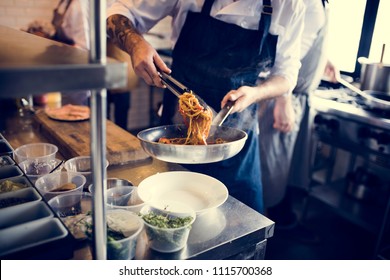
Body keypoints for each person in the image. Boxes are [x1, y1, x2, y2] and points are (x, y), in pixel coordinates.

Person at [106, 0, 306, 214]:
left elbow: (286, 76)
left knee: (243, 219)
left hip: (237, 139)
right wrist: (135, 44)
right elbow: (116, 14)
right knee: (168, 212)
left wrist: (255, 93)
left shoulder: (290, 5)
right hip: (177, 132)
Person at [259, 0, 339, 231]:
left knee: (285, 168)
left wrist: (325, 59)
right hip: (284, 98)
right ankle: (263, 234)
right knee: (271, 170)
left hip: (296, 99)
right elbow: (282, 59)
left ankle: (282, 224)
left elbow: (304, 43)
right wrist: (283, 101)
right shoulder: (308, 3)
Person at [52, 0, 137, 129]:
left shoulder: (80, 5)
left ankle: (117, 135)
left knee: (120, 107)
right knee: (105, 108)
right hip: (97, 61)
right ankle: (108, 133)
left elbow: (83, 43)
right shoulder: (67, 4)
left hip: (113, 57)